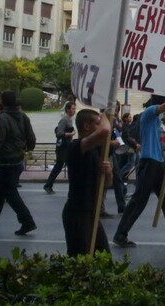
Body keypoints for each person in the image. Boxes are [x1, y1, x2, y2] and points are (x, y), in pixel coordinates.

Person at [113, 95, 165, 248]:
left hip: (158, 163)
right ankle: (120, 234)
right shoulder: (150, 111)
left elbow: (158, 142)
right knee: (139, 201)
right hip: (149, 162)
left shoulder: (155, 120)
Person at [0, 91, 37, 235]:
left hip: (6, 161)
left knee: (10, 192)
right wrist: (25, 149)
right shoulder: (23, 116)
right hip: (18, 160)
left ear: (2, 103)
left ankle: (27, 221)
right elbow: (32, 139)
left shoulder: (1, 119)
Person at [62, 109, 112, 256]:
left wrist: (108, 173)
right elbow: (105, 131)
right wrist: (106, 113)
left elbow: (107, 184)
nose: (100, 125)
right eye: (97, 123)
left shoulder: (96, 151)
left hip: (92, 212)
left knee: (104, 259)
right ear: (86, 126)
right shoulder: (76, 147)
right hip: (77, 213)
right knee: (80, 261)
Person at [44, 101, 76, 194]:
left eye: (74, 108)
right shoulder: (64, 120)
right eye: (73, 108)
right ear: (68, 109)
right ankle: (48, 185)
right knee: (59, 166)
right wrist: (71, 134)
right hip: (62, 147)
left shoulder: (69, 119)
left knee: (70, 166)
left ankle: (73, 186)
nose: (74, 110)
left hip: (67, 146)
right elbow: (58, 133)